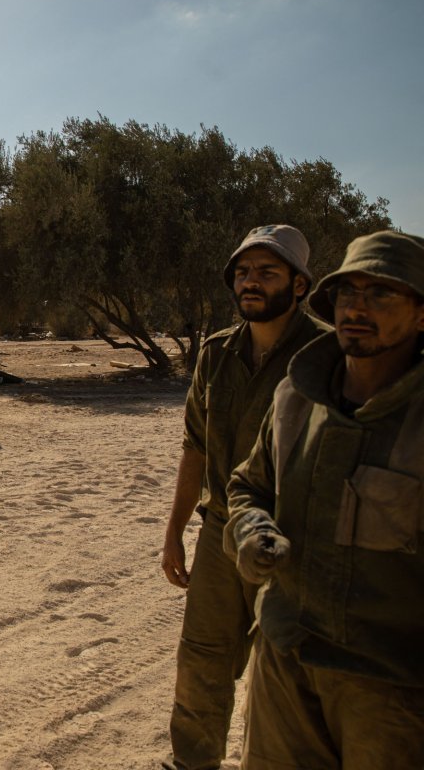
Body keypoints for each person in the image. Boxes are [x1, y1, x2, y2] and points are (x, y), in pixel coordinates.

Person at [225, 230, 424, 769]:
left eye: (381, 293)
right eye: (347, 293)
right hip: (285, 661)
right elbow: (248, 486)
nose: (357, 307)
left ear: (422, 315)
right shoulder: (295, 397)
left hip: (389, 688)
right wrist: (249, 529)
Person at [161, 225, 329, 770]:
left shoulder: (328, 354)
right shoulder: (215, 355)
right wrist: (174, 534)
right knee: (202, 658)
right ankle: (193, 763)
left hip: (299, 540)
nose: (250, 282)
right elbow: (195, 448)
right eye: (242, 272)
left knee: (291, 668)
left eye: (267, 272)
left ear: (300, 285)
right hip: (220, 532)